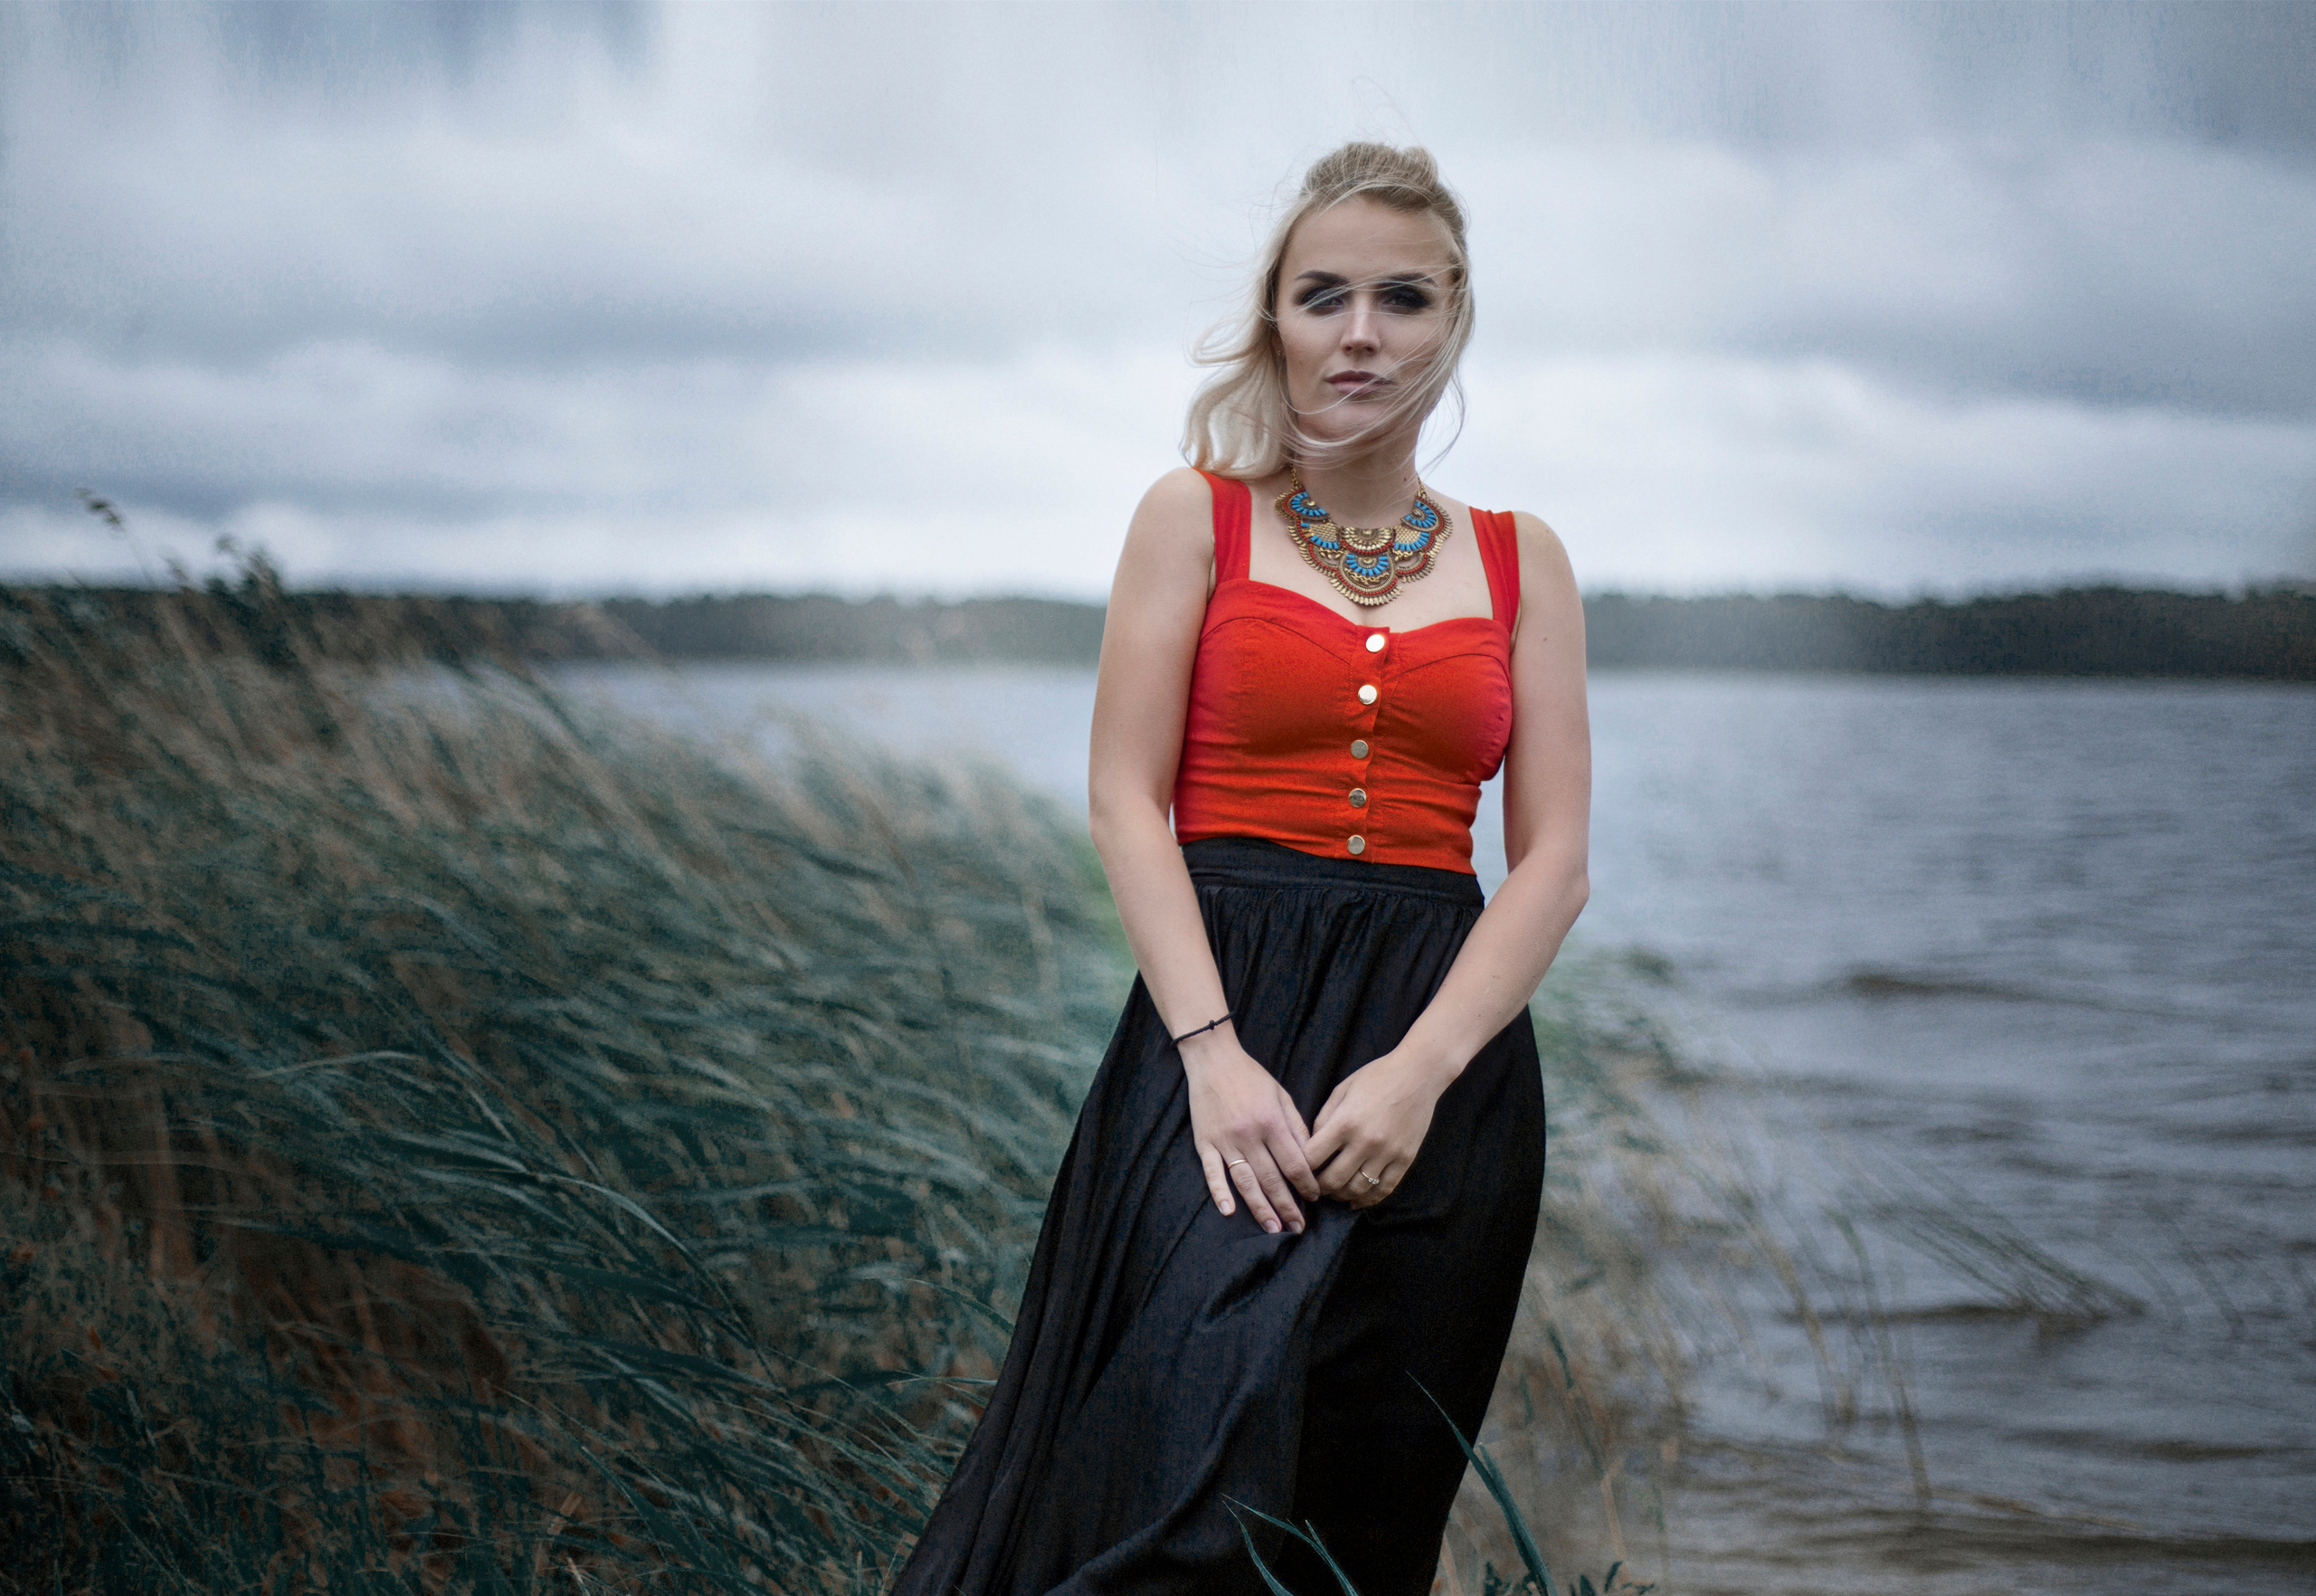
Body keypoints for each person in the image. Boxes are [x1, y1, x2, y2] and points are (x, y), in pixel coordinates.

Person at [890, 141, 1591, 1596]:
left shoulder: (1528, 560)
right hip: (1223, 1026)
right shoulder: (1192, 518)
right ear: (1275, 317)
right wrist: (1209, 1053)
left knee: (1362, 1506)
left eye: (1402, 299)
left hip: (1441, 1062)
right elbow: (1123, 799)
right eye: (1322, 295)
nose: (1359, 333)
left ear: (1452, 320)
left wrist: (1421, 1073)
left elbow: (1555, 863)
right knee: (1171, 1464)